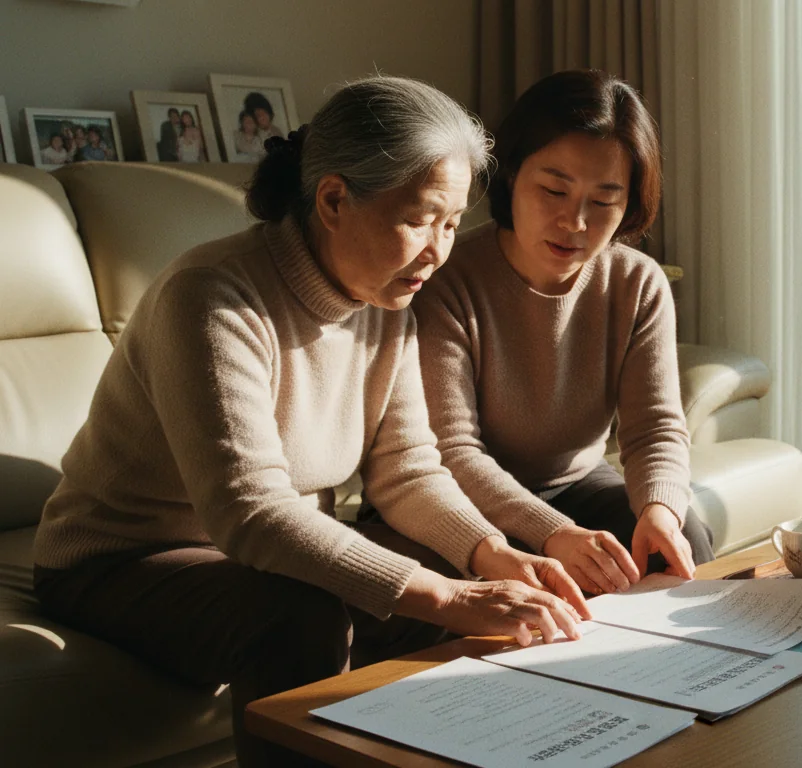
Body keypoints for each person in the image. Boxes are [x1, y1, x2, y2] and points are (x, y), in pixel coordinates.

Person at [32, 75, 587, 767]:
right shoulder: (211, 298)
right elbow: (250, 511)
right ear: (332, 199)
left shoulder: (387, 304)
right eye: (420, 218)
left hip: (250, 552)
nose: (437, 251)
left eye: (451, 224)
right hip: (122, 561)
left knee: (451, 576)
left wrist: (491, 556)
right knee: (303, 615)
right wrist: (449, 596)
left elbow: (409, 469)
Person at [415, 69, 715, 598]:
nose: (575, 222)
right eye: (554, 190)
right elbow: (453, 452)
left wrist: (660, 509)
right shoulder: (447, 281)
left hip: (574, 485)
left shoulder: (637, 283)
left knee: (683, 533)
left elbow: (655, 430)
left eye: (603, 202)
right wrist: (551, 534)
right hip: (460, 498)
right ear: (511, 177)